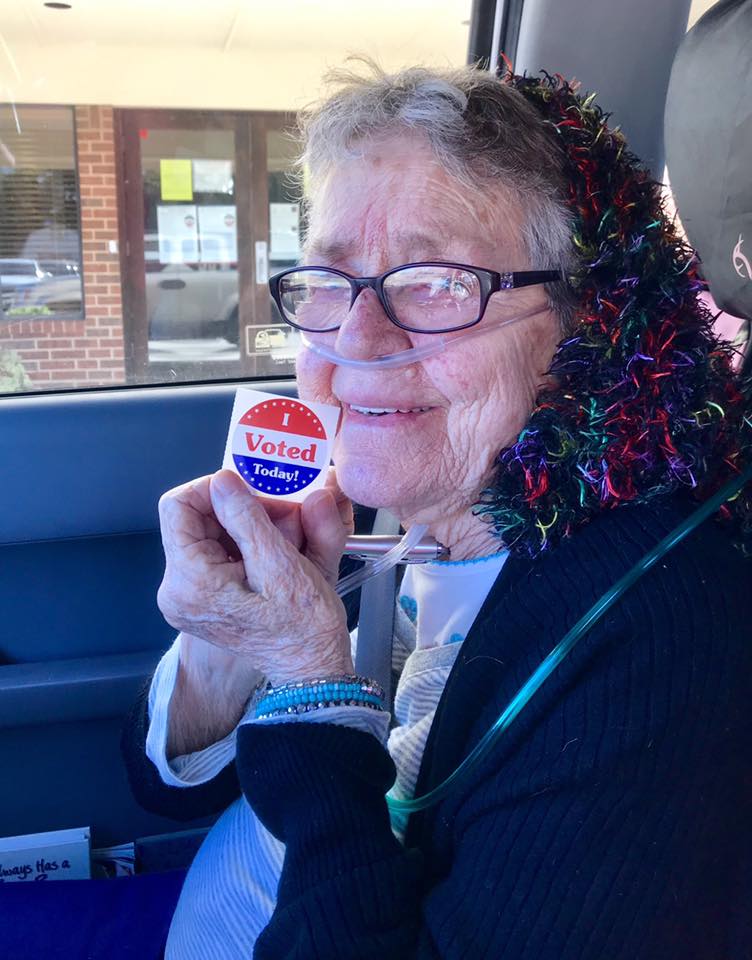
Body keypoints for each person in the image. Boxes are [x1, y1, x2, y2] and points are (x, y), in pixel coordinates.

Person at [122, 63, 752, 959]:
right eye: (330, 282)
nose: (356, 340)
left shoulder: (660, 634)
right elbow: (164, 791)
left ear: (588, 326)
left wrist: (310, 687)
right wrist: (226, 646)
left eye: (437, 283)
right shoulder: (382, 522)